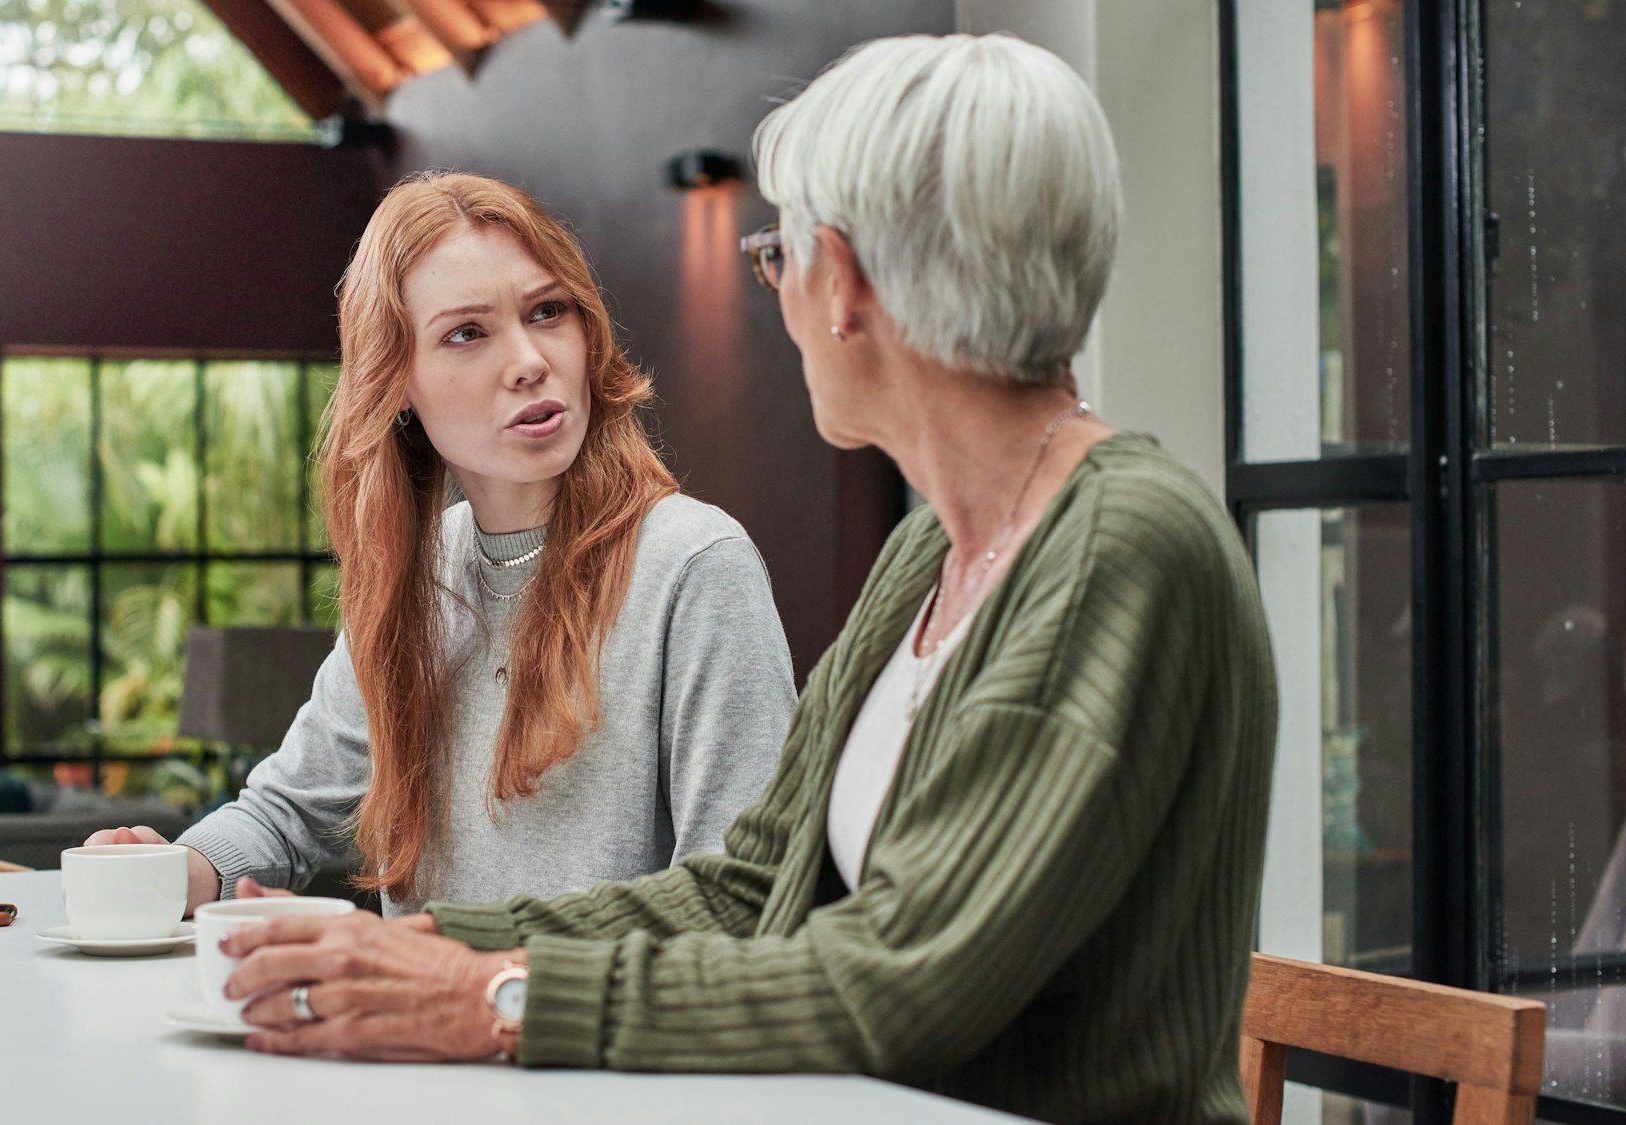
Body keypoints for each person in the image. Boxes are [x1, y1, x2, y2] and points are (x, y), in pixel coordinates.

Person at [211, 33, 1279, 1125]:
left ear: (845, 284)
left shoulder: (1121, 553)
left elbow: (897, 983)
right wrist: (429, 950)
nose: (775, 291)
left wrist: (496, 996)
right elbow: (751, 884)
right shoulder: (935, 551)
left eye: (777, 255)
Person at [87, 172, 796, 916]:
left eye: (548, 311)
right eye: (467, 332)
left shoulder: (695, 564)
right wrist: (175, 868)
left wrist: (481, 984)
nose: (528, 360)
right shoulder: (422, 572)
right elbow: (288, 811)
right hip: (405, 1033)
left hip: (580, 1029)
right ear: (395, 381)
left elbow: (740, 901)